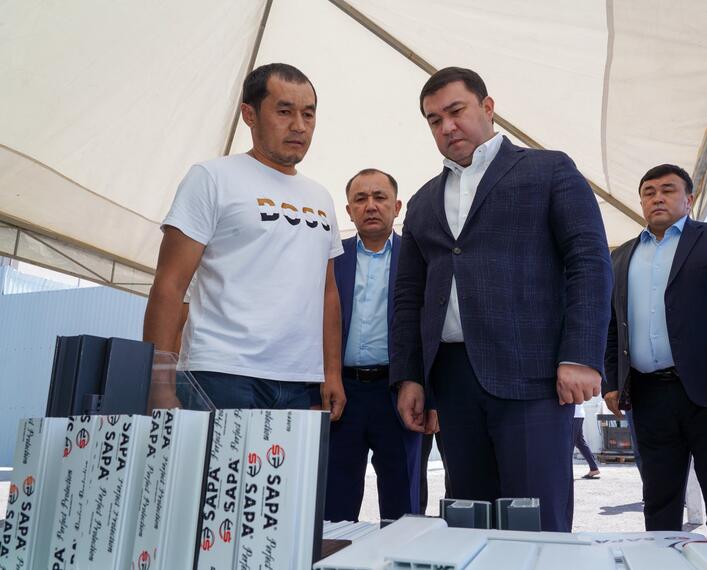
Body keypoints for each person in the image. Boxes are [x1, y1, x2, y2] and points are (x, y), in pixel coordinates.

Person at [391, 67, 613, 532]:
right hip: (452, 381)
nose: (447, 126)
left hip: (534, 376)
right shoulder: (422, 201)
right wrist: (410, 377)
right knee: (468, 519)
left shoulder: (549, 169)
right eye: (434, 120)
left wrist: (581, 354)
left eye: (456, 111)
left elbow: (589, 262)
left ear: (488, 108)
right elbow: (408, 297)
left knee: (537, 519)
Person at [143, 63, 345, 418]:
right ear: (249, 115)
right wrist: (158, 380)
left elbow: (327, 291)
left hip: (300, 381)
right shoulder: (211, 177)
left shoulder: (321, 197)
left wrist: (331, 372)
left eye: (308, 114)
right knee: (215, 461)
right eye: (284, 111)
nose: (299, 126)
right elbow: (170, 283)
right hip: (220, 372)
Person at [604, 163, 707, 544]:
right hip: (648, 397)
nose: (657, 198)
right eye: (649, 192)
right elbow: (611, 325)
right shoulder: (621, 256)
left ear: (689, 199)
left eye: (668, 190)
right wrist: (612, 381)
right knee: (658, 504)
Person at [324, 168, 423, 522]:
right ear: (348, 211)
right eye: (360, 199)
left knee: (403, 506)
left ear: (397, 207)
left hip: (398, 392)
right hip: (341, 393)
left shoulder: (418, 258)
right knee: (334, 505)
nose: (370, 206)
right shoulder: (331, 260)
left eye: (380, 197)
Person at [573, 403, 600, 479]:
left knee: (572, 442)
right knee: (579, 442)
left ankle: (565, 472)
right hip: (578, 413)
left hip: (574, 414)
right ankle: (594, 468)